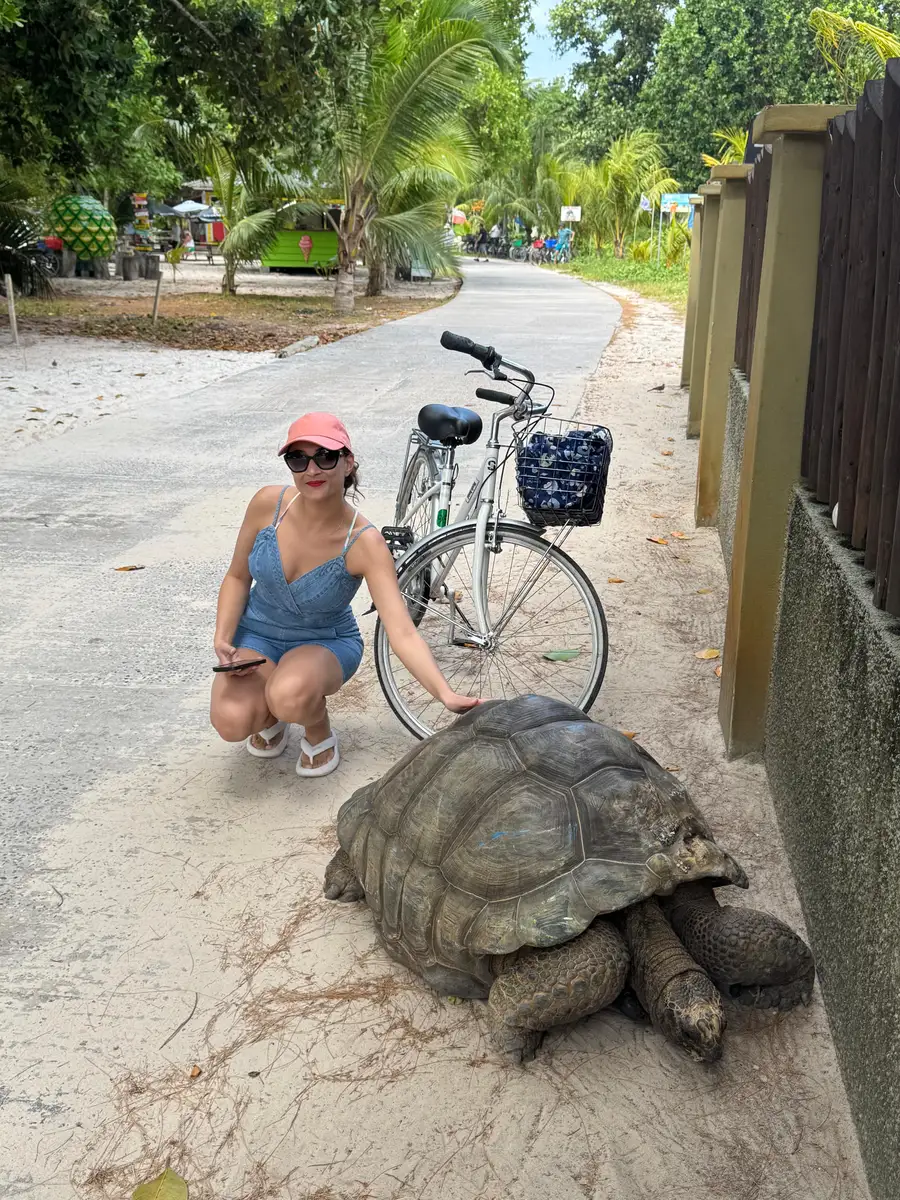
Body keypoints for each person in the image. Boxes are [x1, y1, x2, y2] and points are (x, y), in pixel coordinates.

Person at [210, 413, 481, 777]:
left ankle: (317, 730)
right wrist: (224, 638)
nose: (312, 469)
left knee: (289, 693)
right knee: (231, 721)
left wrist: (444, 693)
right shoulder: (267, 505)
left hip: (324, 642)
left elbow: (400, 630)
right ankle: (270, 714)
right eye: (298, 458)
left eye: (325, 455)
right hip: (258, 634)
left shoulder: (365, 542)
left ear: (348, 461)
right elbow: (237, 577)